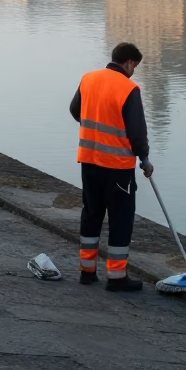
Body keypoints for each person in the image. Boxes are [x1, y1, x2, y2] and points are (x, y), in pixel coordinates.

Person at [70, 42, 152, 292]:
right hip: (117, 166)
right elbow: (137, 133)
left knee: (91, 213)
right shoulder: (129, 89)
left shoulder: (88, 79)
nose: (134, 71)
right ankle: (116, 278)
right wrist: (145, 158)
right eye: (134, 66)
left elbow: (75, 110)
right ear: (129, 62)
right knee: (120, 219)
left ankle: (87, 271)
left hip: (89, 160)